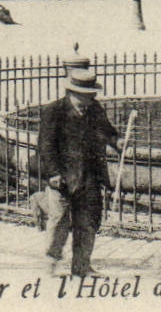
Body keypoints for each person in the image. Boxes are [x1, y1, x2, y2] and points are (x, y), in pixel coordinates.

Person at [37, 66, 120, 278]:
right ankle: (51, 261)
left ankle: (82, 266)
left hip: (90, 177)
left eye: (92, 94)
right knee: (60, 222)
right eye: (86, 95)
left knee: (88, 222)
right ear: (72, 92)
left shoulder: (95, 109)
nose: (90, 98)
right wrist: (53, 173)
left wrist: (118, 142)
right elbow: (45, 146)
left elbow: (109, 132)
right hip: (63, 178)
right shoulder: (54, 111)